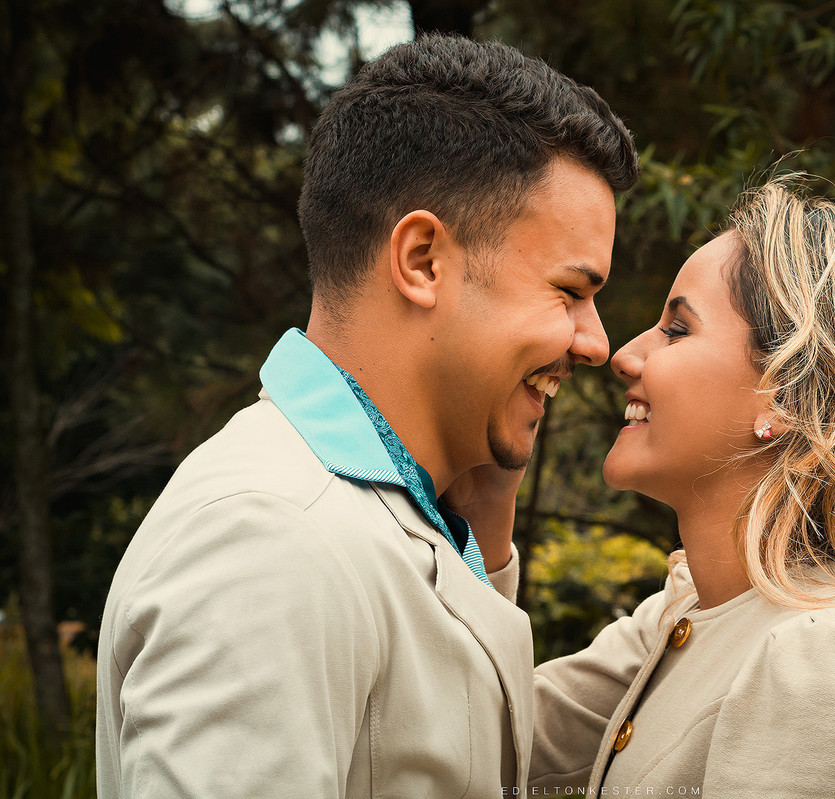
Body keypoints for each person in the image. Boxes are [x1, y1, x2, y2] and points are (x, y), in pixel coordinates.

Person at [95, 33, 637, 798]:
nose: (596, 342)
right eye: (570, 290)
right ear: (421, 260)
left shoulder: (403, 512)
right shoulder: (268, 540)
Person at [527, 178, 835, 799]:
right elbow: (489, 735)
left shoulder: (823, 659)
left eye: (677, 330)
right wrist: (491, 482)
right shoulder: (689, 611)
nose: (625, 355)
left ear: (792, 398)